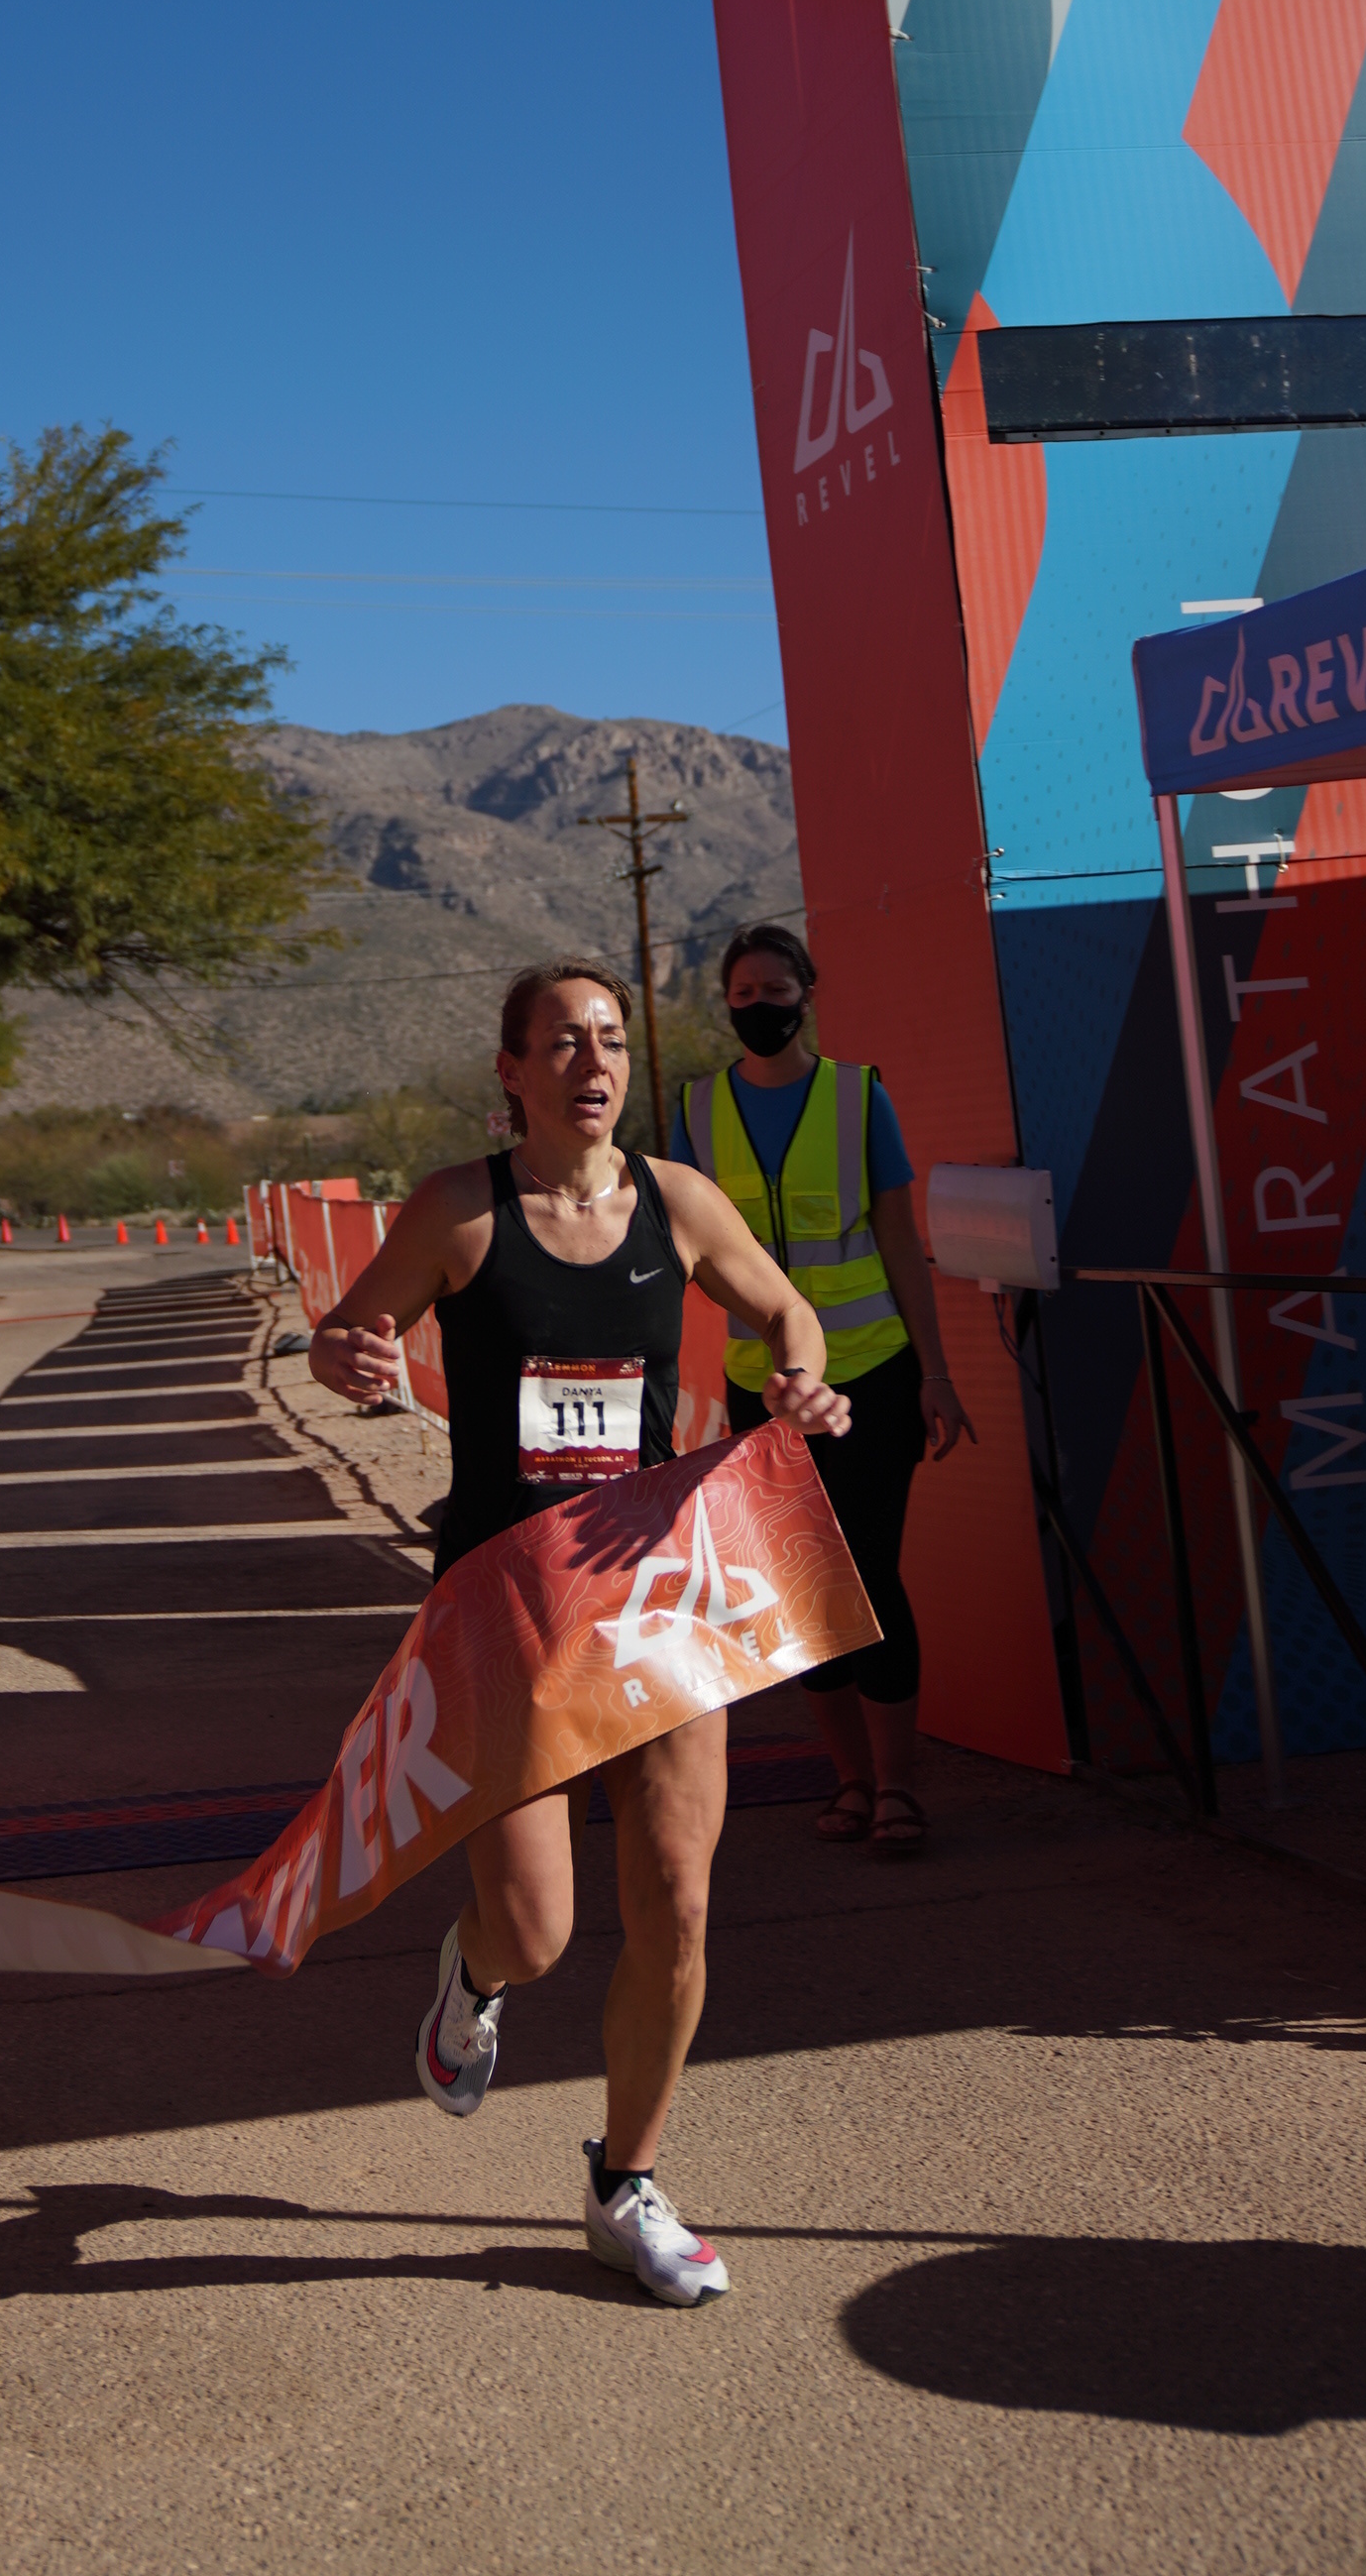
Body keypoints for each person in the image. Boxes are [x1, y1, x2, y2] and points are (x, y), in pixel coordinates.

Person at [308, 956, 851, 2308]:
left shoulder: (678, 1201)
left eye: (608, 1037)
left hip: (657, 1594)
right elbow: (347, 1331)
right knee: (537, 1928)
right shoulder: (459, 1211)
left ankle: (627, 2185)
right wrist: (350, 1355)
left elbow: (786, 1307)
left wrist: (800, 1372)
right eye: (561, 1041)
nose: (592, 1061)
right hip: (506, 1604)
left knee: (676, 1896)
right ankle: (473, 1975)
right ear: (512, 1072)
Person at [678, 922, 973, 1859]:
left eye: (776, 991)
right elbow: (680, 1252)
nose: (759, 1007)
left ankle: (897, 1787)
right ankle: (848, 1780)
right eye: (743, 994)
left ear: (807, 994)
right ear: (726, 1003)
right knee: (803, 1591)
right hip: (761, 1389)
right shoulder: (695, 1109)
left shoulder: (857, 1097)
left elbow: (901, 1242)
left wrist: (936, 1372)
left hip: (872, 1375)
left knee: (870, 1576)